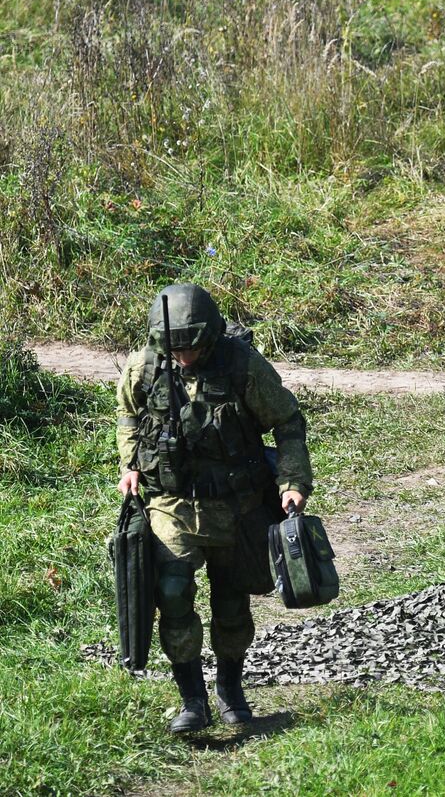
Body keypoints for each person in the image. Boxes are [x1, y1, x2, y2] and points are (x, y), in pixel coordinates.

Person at [115, 284, 312, 733]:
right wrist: (129, 465)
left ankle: (230, 689)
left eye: (192, 347)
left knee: (232, 600)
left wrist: (293, 482)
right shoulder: (145, 364)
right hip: (171, 503)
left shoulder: (242, 365)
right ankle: (191, 699)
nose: (183, 357)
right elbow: (128, 413)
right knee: (169, 590)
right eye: (174, 349)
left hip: (236, 506)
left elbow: (286, 421)